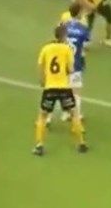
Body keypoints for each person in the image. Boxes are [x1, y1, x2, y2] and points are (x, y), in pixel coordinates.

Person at [33, 25, 88, 156]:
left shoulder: (46, 48)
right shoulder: (67, 49)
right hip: (64, 88)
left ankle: (39, 146)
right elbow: (71, 69)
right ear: (64, 36)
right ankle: (81, 144)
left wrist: (42, 80)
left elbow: (41, 65)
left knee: (42, 116)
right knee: (74, 114)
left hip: (50, 87)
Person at [61, 3, 90, 121]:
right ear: (79, 13)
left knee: (63, 89)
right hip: (76, 64)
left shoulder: (63, 26)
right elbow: (85, 47)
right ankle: (76, 116)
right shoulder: (83, 29)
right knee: (75, 91)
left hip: (63, 62)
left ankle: (65, 113)